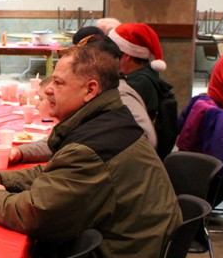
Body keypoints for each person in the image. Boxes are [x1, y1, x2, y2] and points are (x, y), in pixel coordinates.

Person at [0, 45, 181, 258]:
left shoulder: (93, 145)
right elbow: (58, 173)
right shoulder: (109, 121)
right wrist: (3, 179)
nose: (48, 89)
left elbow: (38, 214)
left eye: (58, 82)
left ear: (90, 90)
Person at [9, 35, 157, 164]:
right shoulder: (99, 101)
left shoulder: (120, 97)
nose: (50, 90)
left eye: (58, 83)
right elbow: (63, 141)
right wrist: (22, 152)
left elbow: (145, 142)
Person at [108, 23, 172, 121]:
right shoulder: (146, 75)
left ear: (127, 57)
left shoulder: (137, 84)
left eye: (112, 54)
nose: (109, 58)